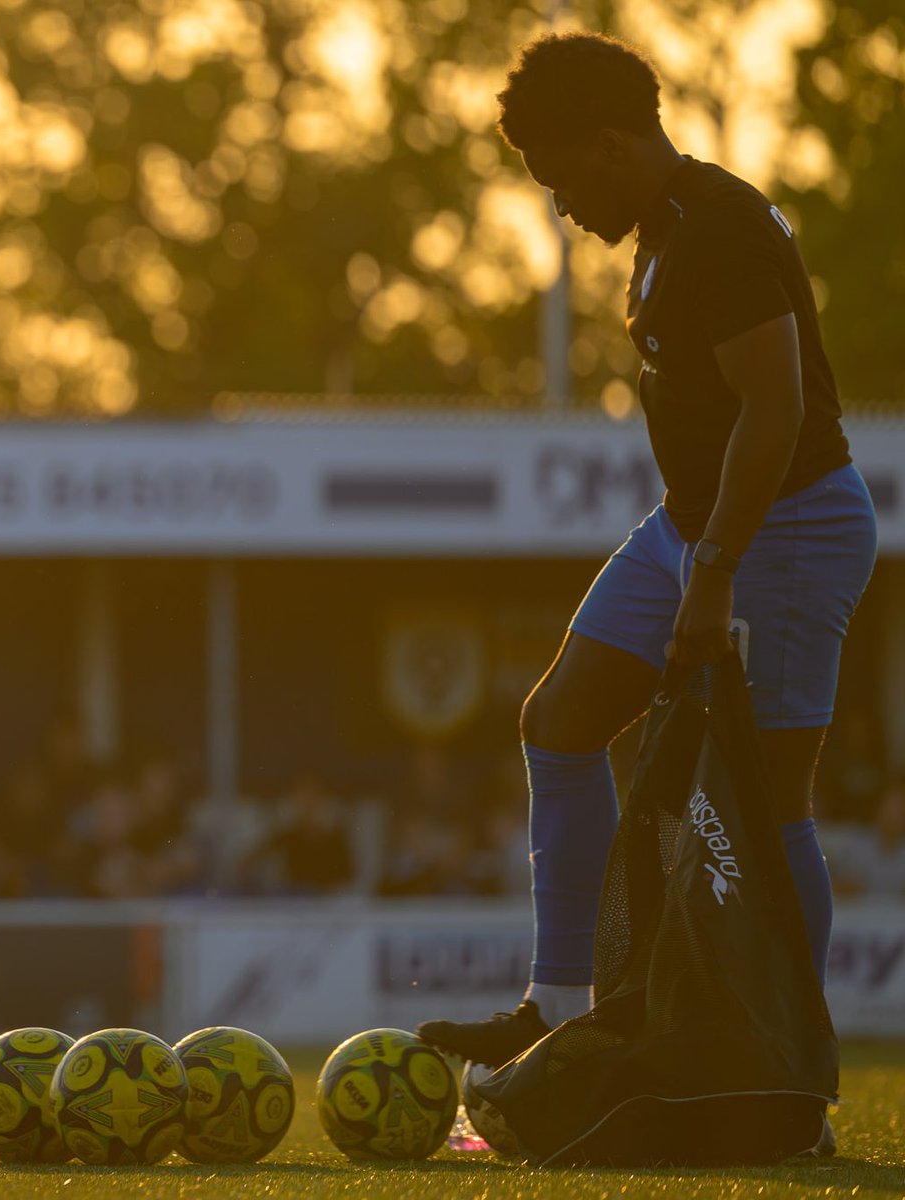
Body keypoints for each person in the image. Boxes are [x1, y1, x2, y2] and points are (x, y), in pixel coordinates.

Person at [418, 31, 877, 1072]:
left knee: (765, 804)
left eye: (560, 178)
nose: (560, 206)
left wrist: (712, 575)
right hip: (690, 524)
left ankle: (787, 1062)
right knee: (561, 720)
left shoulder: (721, 228)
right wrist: (693, 547)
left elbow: (776, 410)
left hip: (786, 529)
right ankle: (560, 1010)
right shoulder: (660, 229)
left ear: (615, 146)